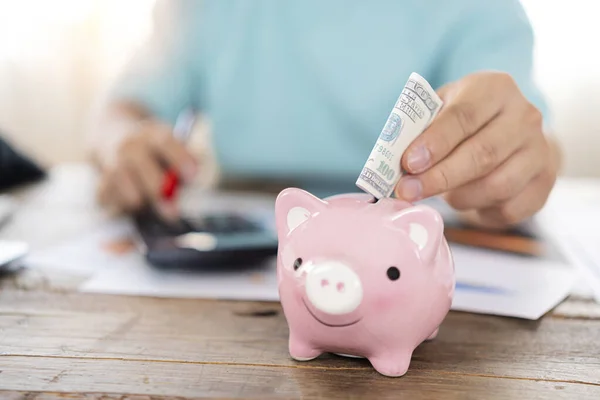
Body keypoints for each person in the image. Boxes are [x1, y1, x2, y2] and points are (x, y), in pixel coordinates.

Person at [89, 0, 561, 230]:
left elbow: (526, 134)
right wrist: (122, 140)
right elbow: (122, 110)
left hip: (416, 238)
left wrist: (518, 163)